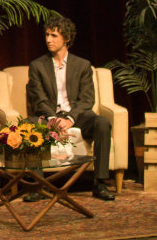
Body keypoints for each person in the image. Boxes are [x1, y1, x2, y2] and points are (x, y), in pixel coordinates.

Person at [26, 15, 117, 201]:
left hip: (77, 116)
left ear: (66, 39)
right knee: (29, 125)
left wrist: (69, 119)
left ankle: (99, 183)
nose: (48, 40)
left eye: (53, 35)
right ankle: (38, 186)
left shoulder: (82, 65)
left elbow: (87, 100)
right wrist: (54, 119)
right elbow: (38, 100)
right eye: (47, 35)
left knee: (102, 123)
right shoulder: (37, 66)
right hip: (49, 116)